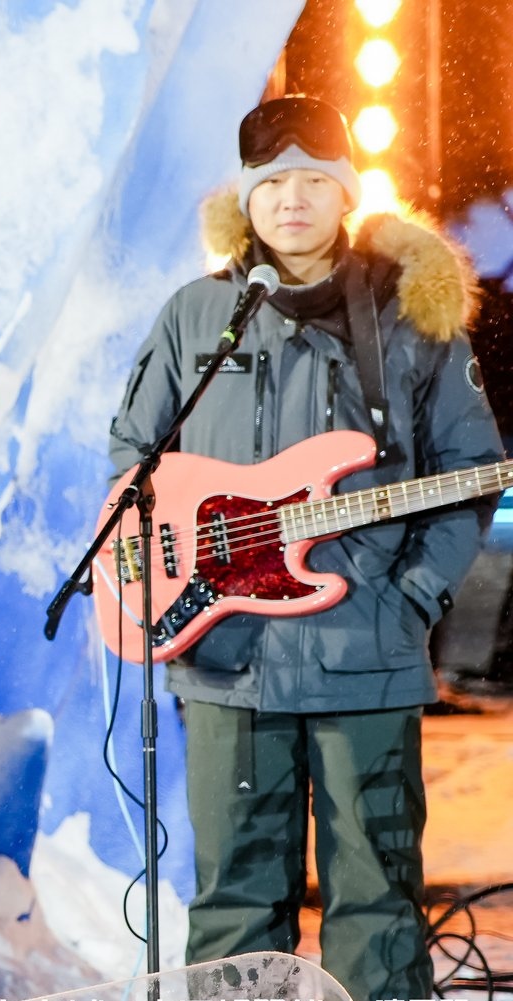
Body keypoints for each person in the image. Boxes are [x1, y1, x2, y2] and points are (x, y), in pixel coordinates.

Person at [108, 96, 502, 999]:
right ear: (245, 197)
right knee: (234, 908)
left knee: (376, 901)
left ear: (346, 194)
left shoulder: (407, 317)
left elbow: (472, 472)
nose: (292, 200)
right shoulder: (196, 314)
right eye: (274, 182)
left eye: (314, 182)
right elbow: (134, 454)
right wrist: (173, 560)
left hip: (366, 657)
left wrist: (410, 597)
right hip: (226, 657)